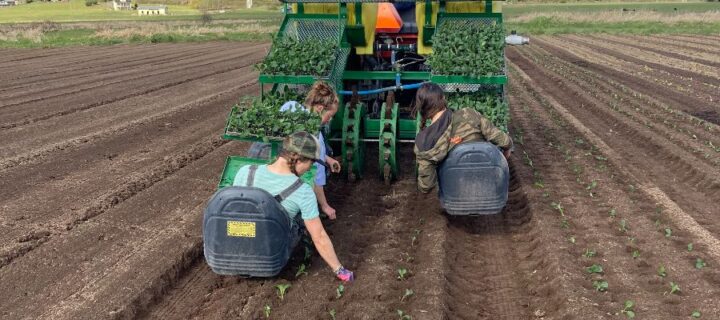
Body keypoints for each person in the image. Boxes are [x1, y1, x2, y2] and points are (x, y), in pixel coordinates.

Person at [233, 132, 354, 283]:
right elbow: (319, 237)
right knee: (300, 222)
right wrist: (339, 270)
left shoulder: (246, 171)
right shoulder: (303, 191)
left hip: (236, 251)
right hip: (269, 258)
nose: (310, 168)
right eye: (311, 163)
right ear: (298, 159)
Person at [247, 81, 342, 219]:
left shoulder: (290, 105)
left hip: (256, 156)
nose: (329, 120)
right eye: (330, 115)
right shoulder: (314, 136)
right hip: (278, 177)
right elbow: (317, 177)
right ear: (320, 108)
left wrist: (327, 158)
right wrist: (324, 206)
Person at [413, 83, 513, 193]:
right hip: (488, 189)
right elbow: (497, 136)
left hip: (455, 198)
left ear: (421, 108)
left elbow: (426, 186)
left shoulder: (422, 143)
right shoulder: (469, 114)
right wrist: (507, 147)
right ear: (444, 98)